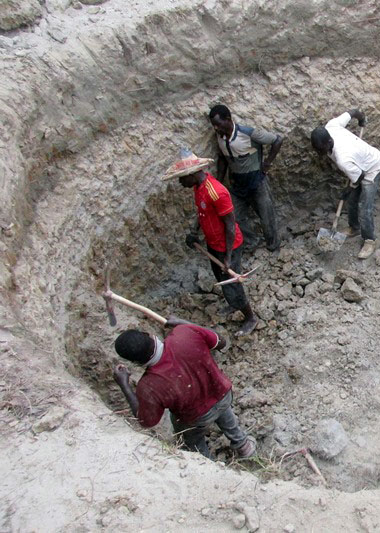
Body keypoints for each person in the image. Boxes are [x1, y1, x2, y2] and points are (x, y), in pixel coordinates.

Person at [111, 318, 256, 459]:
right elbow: (221, 342)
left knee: (192, 440)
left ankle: (207, 463)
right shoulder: (185, 333)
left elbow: (146, 421)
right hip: (222, 393)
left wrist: (124, 385)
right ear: (148, 334)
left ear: (134, 362)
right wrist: (187, 325)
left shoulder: (149, 386)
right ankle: (243, 445)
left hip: (195, 417)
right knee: (224, 411)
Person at [163, 149, 258, 337]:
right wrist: (194, 232)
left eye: (182, 178)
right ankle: (233, 304)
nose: (180, 182)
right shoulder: (198, 188)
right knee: (220, 277)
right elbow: (202, 213)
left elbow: (230, 225)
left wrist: (228, 257)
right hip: (214, 244)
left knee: (232, 283)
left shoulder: (217, 192)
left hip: (228, 246)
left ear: (191, 174)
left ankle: (250, 317)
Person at [310, 109, 380, 259]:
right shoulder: (331, 126)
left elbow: (359, 177)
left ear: (329, 142)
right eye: (317, 150)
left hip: (372, 167)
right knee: (351, 200)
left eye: (321, 150)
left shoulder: (343, 159)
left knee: (364, 207)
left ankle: (370, 240)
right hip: (358, 166)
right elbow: (352, 112)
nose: (320, 154)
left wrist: (348, 189)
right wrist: (361, 118)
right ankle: (354, 227)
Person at [209, 104, 282, 252]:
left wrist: (267, 163)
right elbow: (223, 159)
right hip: (237, 186)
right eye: (214, 125)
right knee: (233, 217)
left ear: (228, 119)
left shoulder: (247, 133)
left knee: (267, 216)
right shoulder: (220, 138)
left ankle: (273, 247)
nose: (216, 128)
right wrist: (218, 182)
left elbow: (277, 140)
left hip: (257, 183)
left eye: (218, 124)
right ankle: (252, 241)